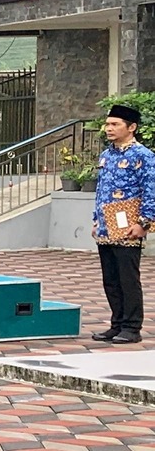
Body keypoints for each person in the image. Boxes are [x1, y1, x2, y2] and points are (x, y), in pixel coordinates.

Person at [92, 104, 155, 345]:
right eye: (108, 124)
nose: (109, 128)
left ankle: (131, 326)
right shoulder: (107, 155)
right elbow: (101, 191)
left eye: (115, 124)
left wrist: (144, 223)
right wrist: (96, 220)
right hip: (106, 226)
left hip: (130, 226)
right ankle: (116, 323)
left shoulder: (144, 156)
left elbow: (151, 192)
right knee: (111, 278)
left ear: (132, 127)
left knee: (128, 278)